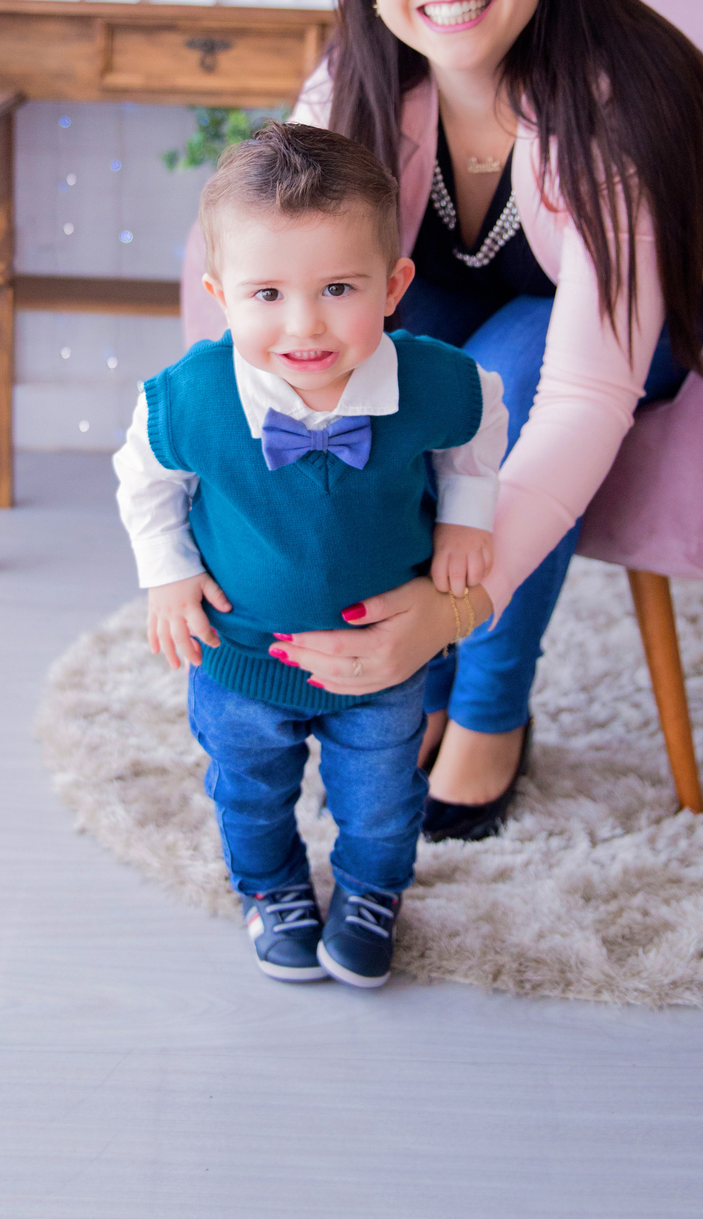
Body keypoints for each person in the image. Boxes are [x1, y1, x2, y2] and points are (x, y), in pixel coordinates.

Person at [181, 0, 703, 843]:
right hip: (475, 273)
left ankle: (485, 704)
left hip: (665, 296)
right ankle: (411, 684)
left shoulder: (623, 112)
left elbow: (584, 392)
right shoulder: (353, 91)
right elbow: (270, 322)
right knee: (354, 340)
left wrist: (453, 607)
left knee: (498, 385)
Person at [114, 122, 508, 988]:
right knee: (249, 790)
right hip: (241, 656)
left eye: (337, 288)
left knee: (382, 798)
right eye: (267, 295)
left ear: (395, 285)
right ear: (220, 294)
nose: (304, 326)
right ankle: (273, 889)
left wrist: (467, 520)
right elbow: (144, 480)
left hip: (386, 666)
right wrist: (168, 573)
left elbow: (479, 427)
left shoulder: (436, 381)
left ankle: (372, 893)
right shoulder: (192, 398)